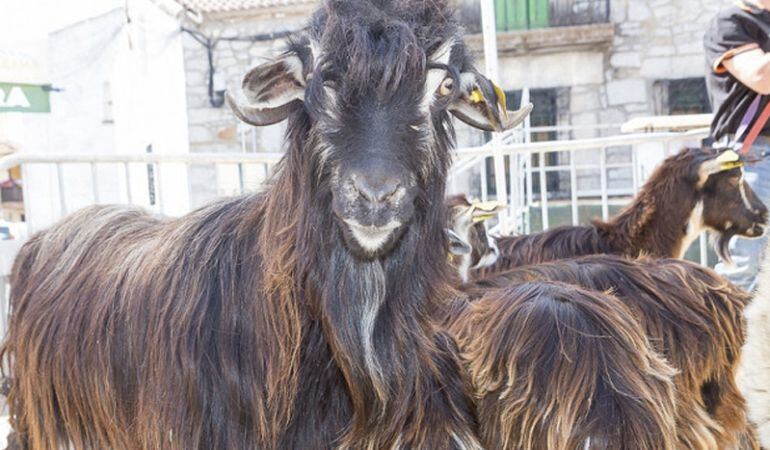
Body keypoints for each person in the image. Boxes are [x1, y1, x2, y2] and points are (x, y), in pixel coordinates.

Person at [704, 0, 770, 291]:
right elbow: (761, 76)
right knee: (744, 269)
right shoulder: (730, 21)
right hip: (752, 157)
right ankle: (724, 337)